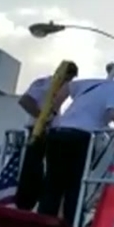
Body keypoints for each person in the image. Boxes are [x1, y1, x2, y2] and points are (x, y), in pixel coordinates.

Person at [37, 74, 114, 227]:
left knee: (52, 184)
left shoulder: (94, 83)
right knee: (75, 186)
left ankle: (41, 224)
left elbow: (66, 88)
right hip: (80, 138)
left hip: (58, 133)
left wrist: (55, 113)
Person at [13, 62, 78, 211]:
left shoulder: (57, 88)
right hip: (39, 130)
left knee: (48, 170)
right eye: (69, 77)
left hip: (51, 132)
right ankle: (27, 200)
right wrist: (41, 117)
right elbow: (25, 100)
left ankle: (38, 200)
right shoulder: (45, 84)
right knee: (34, 167)